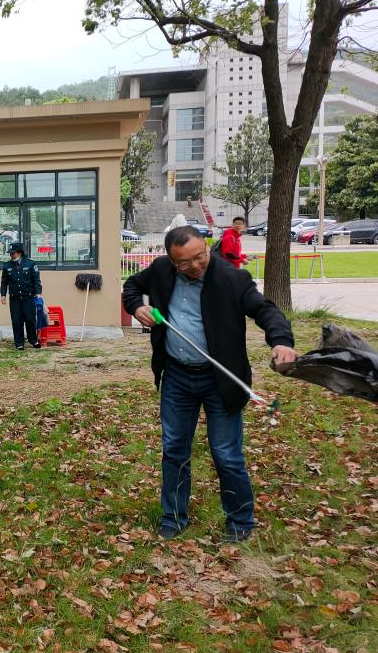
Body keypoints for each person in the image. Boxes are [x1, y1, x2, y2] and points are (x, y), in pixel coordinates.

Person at [122, 225, 297, 542]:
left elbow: (265, 310)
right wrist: (137, 306)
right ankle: (173, 518)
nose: (195, 265)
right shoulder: (161, 270)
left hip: (221, 379)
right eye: (185, 262)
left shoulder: (231, 278)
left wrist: (281, 341)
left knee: (226, 453)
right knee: (174, 450)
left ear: (206, 247)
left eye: (199, 256)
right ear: (172, 261)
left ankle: (240, 521)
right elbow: (131, 285)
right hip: (176, 376)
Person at [0, 241, 42, 350]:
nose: (11, 255)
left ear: (19, 253)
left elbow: (36, 280)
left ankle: (33, 340)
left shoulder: (30, 264)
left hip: (28, 297)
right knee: (16, 321)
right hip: (15, 299)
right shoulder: (7, 266)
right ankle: (19, 343)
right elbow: (4, 282)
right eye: (10, 253)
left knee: (30, 319)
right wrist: (3, 295)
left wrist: (38, 293)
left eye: (13, 253)